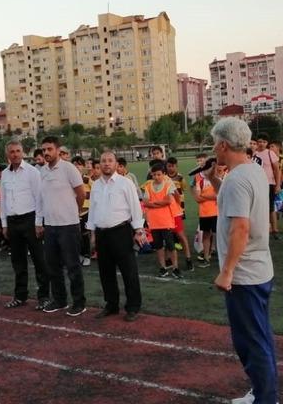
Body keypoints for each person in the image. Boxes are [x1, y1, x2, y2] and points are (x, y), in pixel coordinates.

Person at [205, 117, 277, 404]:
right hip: (259, 268)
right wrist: (214, 180)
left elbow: (241, 228)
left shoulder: (237, 179)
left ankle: (266, 398)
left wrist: (227, 271)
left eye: (215, 143)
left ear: (224, 145)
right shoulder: (253, 169)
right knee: (260, 336)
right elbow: (237, 203)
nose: (214, 148)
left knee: (251, 342)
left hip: (245, 274)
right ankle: (262, 392)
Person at [87, 151, 145, 322]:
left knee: (129, 271)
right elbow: (92, 210)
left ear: (116, 164)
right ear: (99, 164)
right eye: (103, 161)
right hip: (102, 234)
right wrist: (92, 233)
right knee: (105, 272)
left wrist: (139, 230)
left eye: (110, 160)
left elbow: (135, 207)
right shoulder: (96, 185)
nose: (106, 163)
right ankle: (111, 305)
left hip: (121, 232)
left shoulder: (125, 183)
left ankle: (133, 307)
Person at [38, 135, 87, 316]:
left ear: (58, 150)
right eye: (44, 150)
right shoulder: (42, 171)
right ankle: (60, 300)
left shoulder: (69, 169)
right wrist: (39, 222)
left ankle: (79, 303)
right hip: (50, 226)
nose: (46, 152)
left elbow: (81, 194)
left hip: (68, 225)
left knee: (73, 266)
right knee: (53, 267)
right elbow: (40, 198)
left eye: (49, 149)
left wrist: (74, 211)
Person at [0, 139, 50, 310]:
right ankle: (20, 296)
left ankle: (44, 296)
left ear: (22, 153)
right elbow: (3, 200)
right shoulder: (5, 174)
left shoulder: (32, 172)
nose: (15, 154)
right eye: (12, 151)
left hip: (30, 220)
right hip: (12, 222)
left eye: (18, 151)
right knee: (18, 261)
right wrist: (4, 224)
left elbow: (39, 198)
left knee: (39, 260)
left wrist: (38, 222)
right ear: (7, 154)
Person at [144, 163, 182, 279]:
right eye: (154, 175)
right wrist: (159, 203)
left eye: (159, 174)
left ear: (164, 174)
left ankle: (175, 268)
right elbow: (145, 202)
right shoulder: (148, 186)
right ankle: (163, 267)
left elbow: (168, 201)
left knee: (171, 246)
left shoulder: (167, 185)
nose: (156, 177)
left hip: (166, 221)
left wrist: (153, 204)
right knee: (159, 246)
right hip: (154, 223)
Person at [252, 133, 282, 240]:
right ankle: (262, 229)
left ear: (267, 143)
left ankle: (275, 230)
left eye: (264, 142)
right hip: (256, 184)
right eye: (259, 141)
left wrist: (278, 185)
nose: (261, 144)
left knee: (270, 208)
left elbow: (277, 170)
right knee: (258, 208)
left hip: (269, 184)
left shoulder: (270, 153)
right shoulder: (253, 154)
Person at [192, 159, 221, 268]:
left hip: (217, 212)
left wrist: (204, 196)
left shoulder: (217, 179)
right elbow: (198, 198)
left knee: (219, 235)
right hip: (204, 213)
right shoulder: (199, 180)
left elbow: (219, 195)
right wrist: (212, 196)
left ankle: (221, 256)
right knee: (206, 235)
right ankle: (206, 258)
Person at [166, 157, 193, 270]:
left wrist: (179, 206)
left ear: (176, 166)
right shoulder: (164, 177)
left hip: (178, 209)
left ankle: (188, 259)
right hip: (166, 211)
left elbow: (182, 190)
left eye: (173, 166)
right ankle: (169, 259)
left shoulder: (180, 178)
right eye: (169, 166)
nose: (171, 168)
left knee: (180, 234)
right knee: (168, 235)